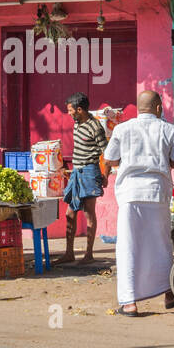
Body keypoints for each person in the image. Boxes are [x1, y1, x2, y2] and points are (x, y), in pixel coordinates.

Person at [101, 90, 174, 317]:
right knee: (162, 245)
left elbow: (109, 159)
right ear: (158, 108)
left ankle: (129, 303)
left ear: (139, 108)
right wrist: (160, 157)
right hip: (157, 193)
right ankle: (168, 292)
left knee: (129, 246)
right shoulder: (170, 130)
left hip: (130, 193)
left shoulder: (122, 129)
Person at [57, 92, 107, 265]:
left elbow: (105, 153)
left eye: (70, 110)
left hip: (90, 173)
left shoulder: (96, 127)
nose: (69, 113)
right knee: (70, 213)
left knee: (88, 213)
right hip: (76, 172)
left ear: (80, 110)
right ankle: (69, 253)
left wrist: (105, 175)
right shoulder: (77, 124)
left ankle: (88, 254)